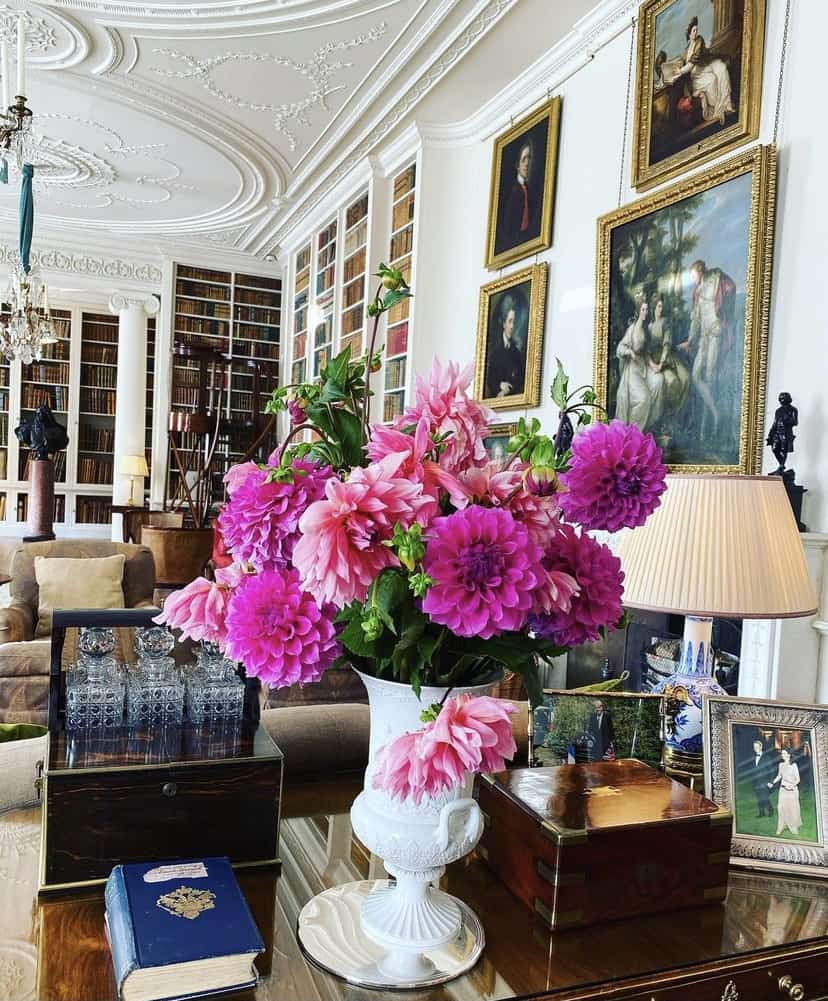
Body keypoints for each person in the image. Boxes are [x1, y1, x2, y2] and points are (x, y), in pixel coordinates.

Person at [678, 260, 736, 439]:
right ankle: (716, 412)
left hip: (715, 333)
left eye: (693, 275)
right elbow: (696, 320)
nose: (692, 278)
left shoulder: (715, 280)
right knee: (696, 376)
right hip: (703, 337)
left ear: (699, 271)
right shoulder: (697, 292)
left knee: (710, 377)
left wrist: (723, 315)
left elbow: (730, 288)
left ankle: (707, 428)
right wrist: (690, 340)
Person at [615, 300, 663, 430]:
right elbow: (620, 348)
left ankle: (650, 421)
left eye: (646, 310)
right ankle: (634, 430)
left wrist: (653, 366)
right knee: (644, 399)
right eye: (643, 310)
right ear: (638, 311)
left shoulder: (645, 330)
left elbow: (646, 353)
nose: (645, 312)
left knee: (659, 380)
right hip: (633, 370)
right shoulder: (632, 329)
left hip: (643, 367)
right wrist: (630, 352)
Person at [678, 17, 734, 126]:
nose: (696, 32)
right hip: (696, 76)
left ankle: (725, 104)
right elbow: (686, 66)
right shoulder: (685, 51)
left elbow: (693, 61)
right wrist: (679, 71)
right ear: (689, 34)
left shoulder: (699, 40)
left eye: (696, 30)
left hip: (703, 67)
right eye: (694, 30)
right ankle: (716, 106)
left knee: (721, 68)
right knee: (712, 79)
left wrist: (680, 71)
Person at [648, 297, 690, 423]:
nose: (660, 309)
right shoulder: (649, 327)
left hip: (670, 359)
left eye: (662, 306)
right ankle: (671, 417)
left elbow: (667, 344)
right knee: (672, 383)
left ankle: (680, 415)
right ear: (653, 308)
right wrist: (656, 364)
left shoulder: (665, 322)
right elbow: (647, 350)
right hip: (657, 362)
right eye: (658, 306)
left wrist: (662, 362)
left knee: (686, 379)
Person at [498, 139, 540, 249]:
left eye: (529, 158)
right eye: (524, 159)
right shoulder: (511, 191)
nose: (527, 163)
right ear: (517, 165)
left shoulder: (530, 191)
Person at [486, 294, 526, 398]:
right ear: (504, 323)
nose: (512, 326)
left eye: (514, 322)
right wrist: (499, 385)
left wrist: (507, 391)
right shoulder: (494, 350)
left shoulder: (516, 352)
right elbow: (489, 378)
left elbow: (520, 380)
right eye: (510, 321)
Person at [769, 748, 802, 837]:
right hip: (783, 790)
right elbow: (779, 776)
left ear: (789, 754)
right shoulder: (781, 765)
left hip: (792, 790)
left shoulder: (793, 765)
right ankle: (781, 827)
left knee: (791, 809)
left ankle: (793, 827)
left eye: (784, 753)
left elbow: (798, 779)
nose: (782, 755)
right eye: (782, 753)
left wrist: (791, 786)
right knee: (781, 808)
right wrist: (772, 782)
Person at [746, 738, 774, 818]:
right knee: (759, 798)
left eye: (757, 747)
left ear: (761, 747)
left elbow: (771, 771)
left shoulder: (767, 757)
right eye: (754, 747)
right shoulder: (753, 758)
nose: (756, 748)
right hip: (756, 782)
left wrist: (771, 782)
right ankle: (761, 813)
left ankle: (770, 810)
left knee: (764, 797)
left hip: (765, 782)